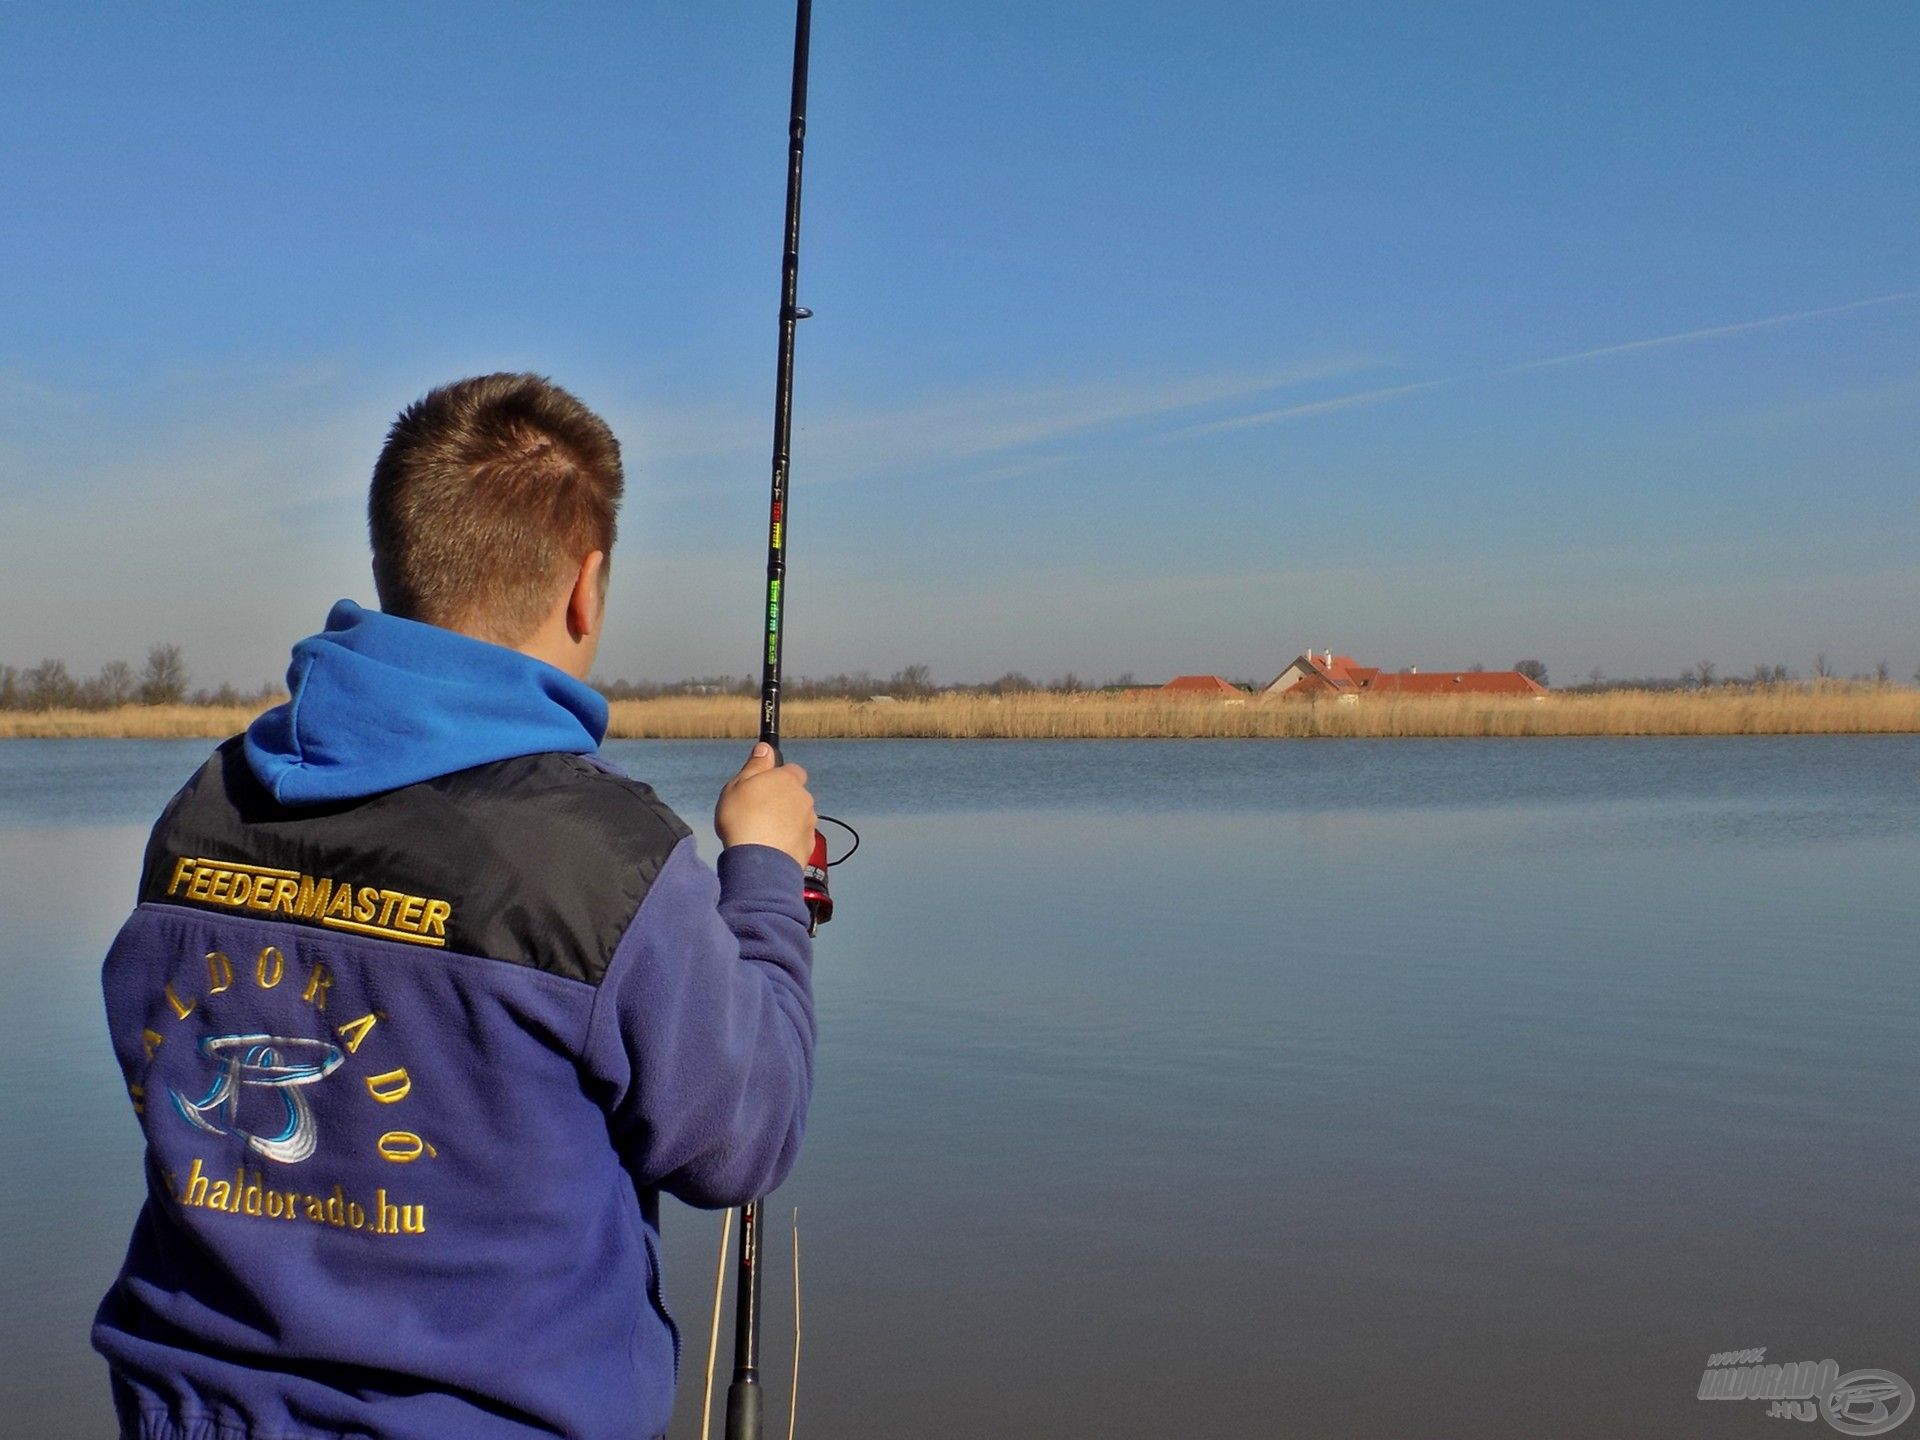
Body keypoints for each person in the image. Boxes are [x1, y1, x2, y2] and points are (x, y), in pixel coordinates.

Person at [92, 373, 818, 1440]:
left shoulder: (204, 805)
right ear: (587, 586)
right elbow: (739, 1141)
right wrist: (763, 874)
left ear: (397, 563)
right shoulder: (606, 859)